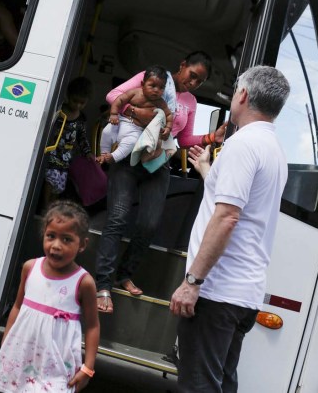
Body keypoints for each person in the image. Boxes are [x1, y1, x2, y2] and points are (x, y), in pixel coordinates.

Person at [169, 66, 290, 392]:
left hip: (216, 291)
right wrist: (208, 170)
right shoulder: (273, 149)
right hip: (242, 295)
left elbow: (227, 218)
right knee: (221, 383)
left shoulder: (242, 146)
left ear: (244, 95)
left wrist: (192, 281)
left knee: (199, 385)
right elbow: (237, 207)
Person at [96, 51, 226, 313]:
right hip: (129, 156)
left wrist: (212, 137)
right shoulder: (155, 80)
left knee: (149, 223)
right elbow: (113, 97)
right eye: (192, 76)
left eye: (199, 82)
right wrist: (136, 111)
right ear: (182, 66)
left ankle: (124, 276)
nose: (193, 84)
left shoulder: (190, 101)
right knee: (118, 218)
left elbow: (185, 139)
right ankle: (103, 285)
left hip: (158, 162)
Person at [0, 200, 100, 392]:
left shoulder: (83, 282)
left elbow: (92, 326)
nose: (56, 245)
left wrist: (88, 368)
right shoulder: (30, 268)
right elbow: (17, 307)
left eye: (67, 239)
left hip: (57, 366)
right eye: (51, 236)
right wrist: (5, 343)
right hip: (20, 357)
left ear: (82, 244)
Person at [97, 64, 176, 166]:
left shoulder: (160, 102)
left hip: (136, 130)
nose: (157, 90)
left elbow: (169, 115)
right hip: (120, 122)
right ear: (143, 84)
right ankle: (103, 154)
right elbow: (119, 100)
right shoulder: (134, 93)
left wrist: (168, 127)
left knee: (131, 142)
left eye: (161, 88)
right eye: (153, 86)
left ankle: (114, 157)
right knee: (107, 132)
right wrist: (113, 114)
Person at [43, 77, 95, 208]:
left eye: (82, 103)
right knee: (49, 179)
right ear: (68, 96)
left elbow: (81, 138)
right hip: (51, 153)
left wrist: (88, 153)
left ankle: (51, 209)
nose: (77, 105)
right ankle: (44, 207)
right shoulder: (59, 111)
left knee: (59, 185)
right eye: (75, 101)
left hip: (65, 158)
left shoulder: (81, 119)